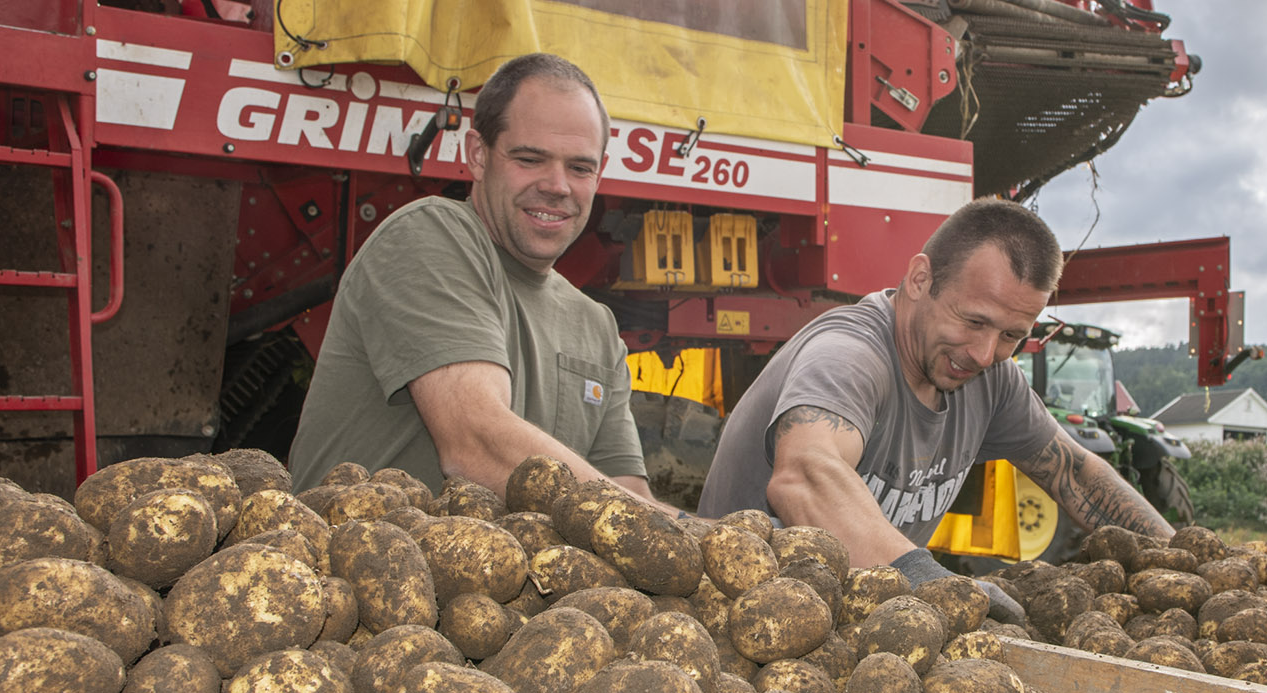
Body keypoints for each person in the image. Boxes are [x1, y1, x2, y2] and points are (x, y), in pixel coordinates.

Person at [697, 198, 1174, 622]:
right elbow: (804, 473)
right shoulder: (849, 354)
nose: (985, 354)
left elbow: (1076, 474)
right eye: (974, 321)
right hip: (744, 619)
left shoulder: (991, 380)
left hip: (862, 618)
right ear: (920, 279)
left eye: (1011, 335)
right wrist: (931, 585)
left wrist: (1182, 560)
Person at [288, 53, 650, 501]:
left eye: (579, 167)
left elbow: (630, 495)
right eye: (531, 159)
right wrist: (665, 529)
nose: (558, 185)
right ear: (478, 155)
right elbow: (475, 443)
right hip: (346, 563)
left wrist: (702, 533)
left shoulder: (597, 326)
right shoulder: (429, 235)